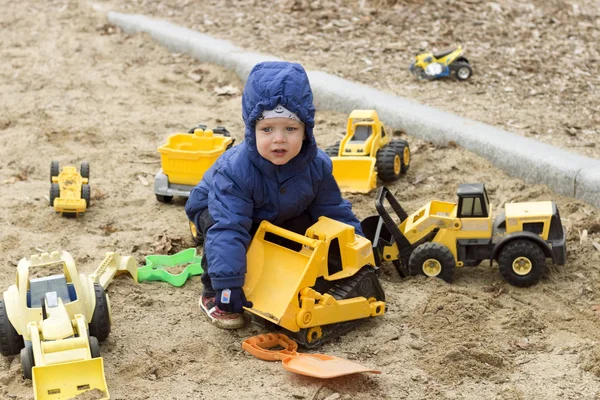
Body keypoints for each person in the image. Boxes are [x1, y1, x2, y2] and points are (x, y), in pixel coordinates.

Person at [185, 61, 364, 329]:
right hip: (217, 208)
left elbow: (333, 210)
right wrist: (228, 286)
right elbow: (228, 228)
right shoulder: (235, 171)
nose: (279, 139)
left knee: (307, 228)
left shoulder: (317, 165)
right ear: (251, 130)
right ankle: (212, 293)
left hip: (277, 210)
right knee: (232, 234)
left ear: (306, 131)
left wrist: (356, 245)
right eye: (267, 130)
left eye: (290, 129)